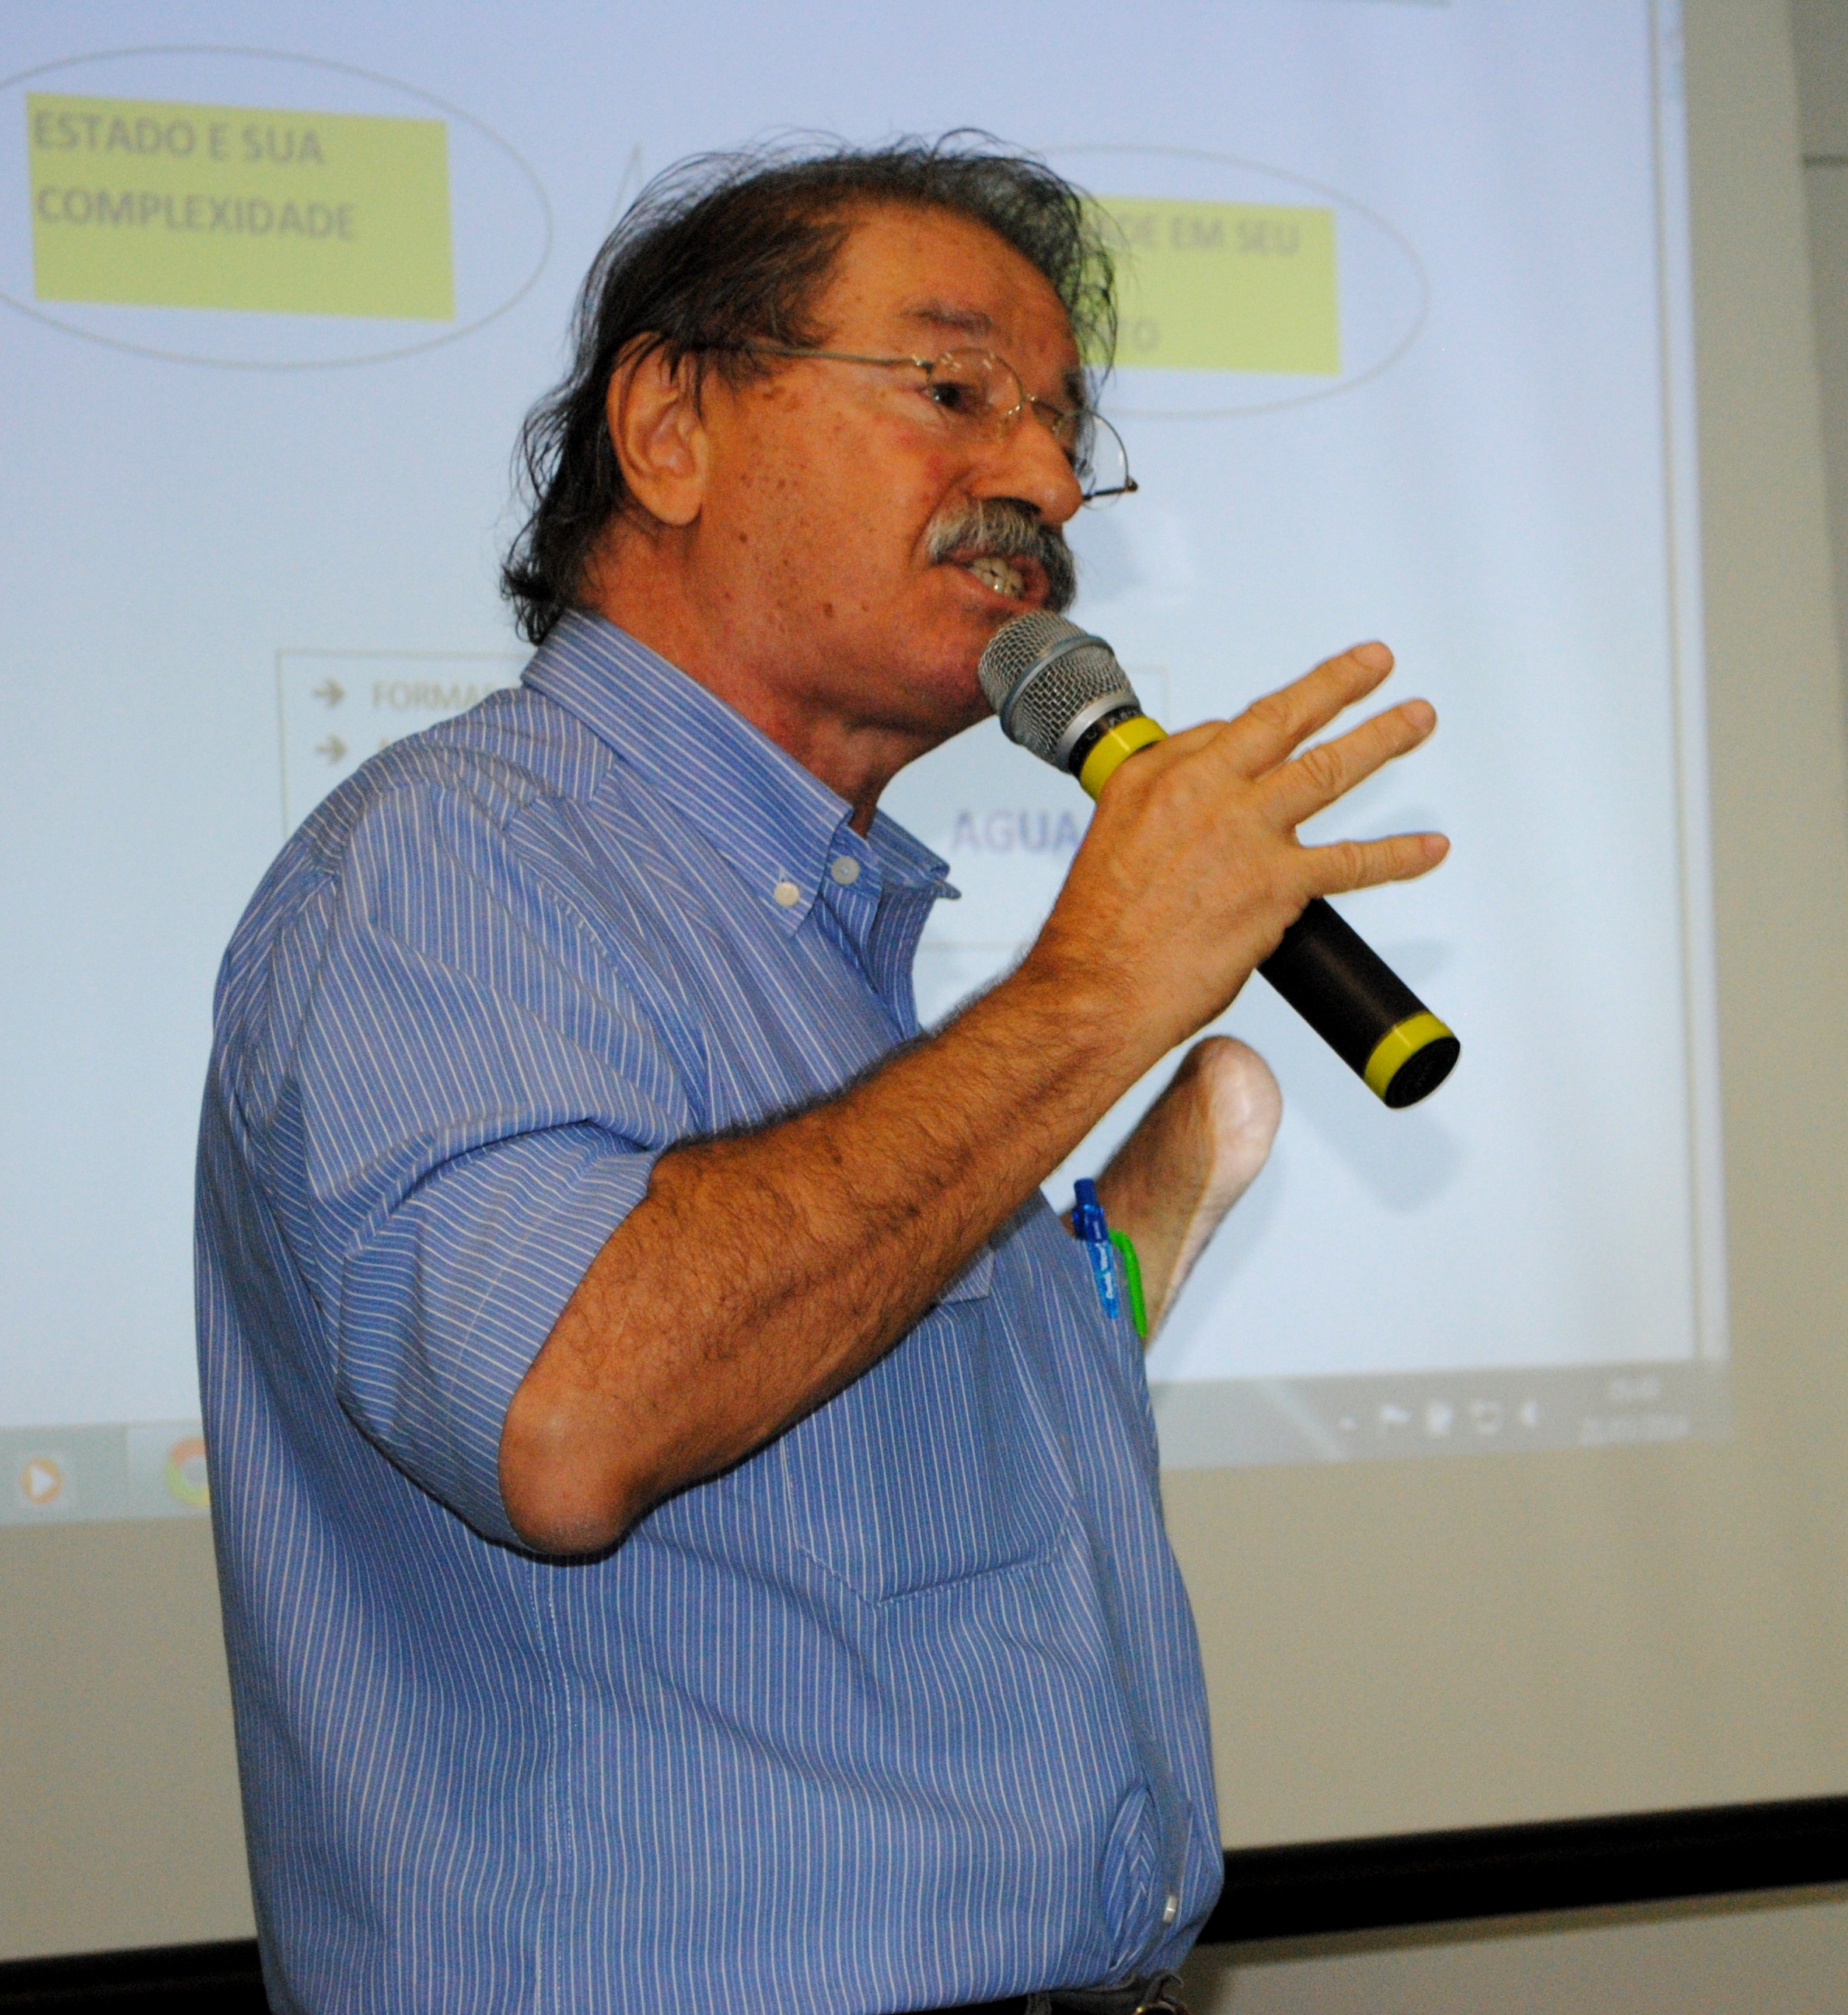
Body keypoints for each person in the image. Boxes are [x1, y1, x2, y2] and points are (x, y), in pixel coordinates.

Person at [197, 138, 1445, 2015]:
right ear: (669, 429)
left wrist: (1097, 1281)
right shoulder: (451, 862)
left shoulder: (831, 953)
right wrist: (1093, 998)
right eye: (953, 389)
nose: (1043, 481)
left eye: (1062, 428)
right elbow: (566, 1420)